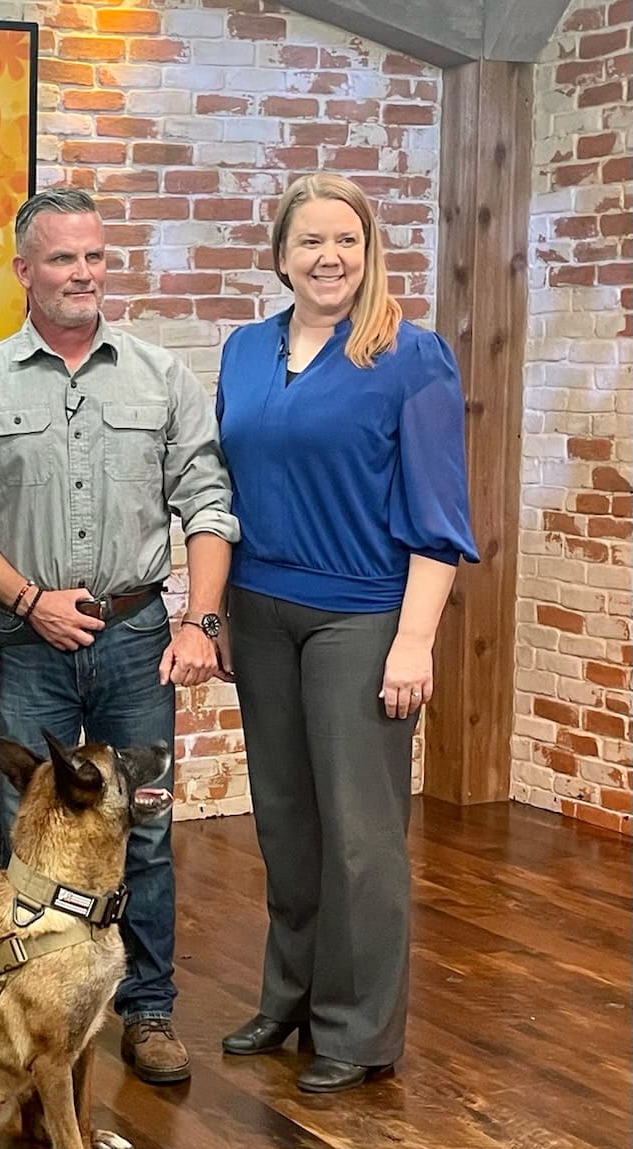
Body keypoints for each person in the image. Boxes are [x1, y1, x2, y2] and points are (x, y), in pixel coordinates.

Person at [0, 187, 239, 1085]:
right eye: (63, 258)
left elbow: (208, 502)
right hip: (26, 644)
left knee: (145, 829)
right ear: (23, 270)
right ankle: (30, 1013)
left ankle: (148, 1009)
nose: (83, 273)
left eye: (94, 256)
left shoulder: (160, 377)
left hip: (137, 640)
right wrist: (30, 601)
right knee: (30, 842)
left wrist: (200, 619)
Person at [215, 174, 478, 1093]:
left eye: (347, 241)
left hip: (362, 617)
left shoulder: (411, 356)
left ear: (369, 252)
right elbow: (226, 491)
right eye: (311, 242)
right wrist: (217, 610)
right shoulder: (245, 350)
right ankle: (289, 996)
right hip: (260, 610)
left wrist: (415, 641)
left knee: (361, 835)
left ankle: (358, 1030)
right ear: (280, 255)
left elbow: (440, 517)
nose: (330, 258)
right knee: (286, 821)